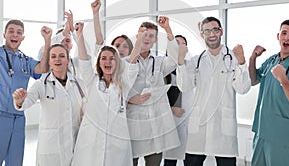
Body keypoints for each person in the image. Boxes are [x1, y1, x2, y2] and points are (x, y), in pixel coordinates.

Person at [176, 16, 251, 166]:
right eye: (207, 31)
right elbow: (185, 86)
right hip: (199, 127)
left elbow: (243, 89)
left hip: (223, 127)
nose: (211, 34)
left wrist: (242, 62)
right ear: (202, 34)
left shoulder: (234, 59)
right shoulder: (196, 61)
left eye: (215, 30)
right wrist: (180, 61)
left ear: (221, 32)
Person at [71, 22, 143, 166]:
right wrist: (79, 35)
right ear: (99, 62)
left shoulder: (124, 84)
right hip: (91, 139)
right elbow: (84, 60)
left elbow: (133, 61)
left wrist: (140, 38)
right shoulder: (92, 82)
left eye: (112, 58)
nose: (108, 61)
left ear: (117, 62)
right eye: (103, 58)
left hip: (116, 140)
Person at [12, 44, 87, 166]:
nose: (57, 59)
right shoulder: (41, 84)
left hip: (75, 143)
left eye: (62, 56)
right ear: (49, 61)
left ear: (68, 60)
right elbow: (26, 102)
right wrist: (19, 101)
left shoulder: (79, 84)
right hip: (51, 147)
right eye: (53, 56)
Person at [126, 16, 181, 166]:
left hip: (155, 124)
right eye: (144, 35)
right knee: (131, 161)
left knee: (154, 162)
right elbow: (118, 88)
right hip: (133, 122)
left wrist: (168, 30)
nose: (147, 38)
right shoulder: (124, 62)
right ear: (137, 37)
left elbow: (175, 60)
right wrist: (130, 98)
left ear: (155, 40)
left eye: (151, 36)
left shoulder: (160, 62)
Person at [248, 19, 289, 166]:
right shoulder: (272, 60)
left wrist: (283, 80)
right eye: (284, 33)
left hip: (282, 136)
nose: (287, 37)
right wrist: (252, 59)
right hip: (261, 132)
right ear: (278, 36)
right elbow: (253, 80)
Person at [0, 20, 51, 166]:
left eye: (19, 32)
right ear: (4, 34)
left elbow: (43, 69)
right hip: (0, 115)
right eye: (11, 31)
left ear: (23, 37)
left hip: (19, 117)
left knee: (15, 162)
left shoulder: (26, 61)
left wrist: (47, 41)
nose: (15, 34)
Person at [163, 35, 195, 166]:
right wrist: (170, 109)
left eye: (183, 44)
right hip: (169, 122)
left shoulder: (191, 67)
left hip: (189, 120)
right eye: (177, 44)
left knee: (191, 157)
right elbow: (153, 97)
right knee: (170, 160)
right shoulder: (161, 67)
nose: (180, 47)